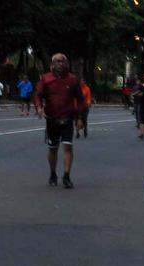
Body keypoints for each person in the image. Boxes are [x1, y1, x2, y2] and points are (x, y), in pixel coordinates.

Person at [34, 53, 84, 188]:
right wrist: (39, 108)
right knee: (53, 148)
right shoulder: (46, 79)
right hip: (52, 118)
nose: (60, 64)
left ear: (66, 63)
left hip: (67, 117)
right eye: (57, 61)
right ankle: (53, 173)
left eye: (63, 61)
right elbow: (38, 95)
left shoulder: (72, 79)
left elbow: (80, 100)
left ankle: (67, 176)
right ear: (52, 64)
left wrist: (79, 118)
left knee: (67, 146)